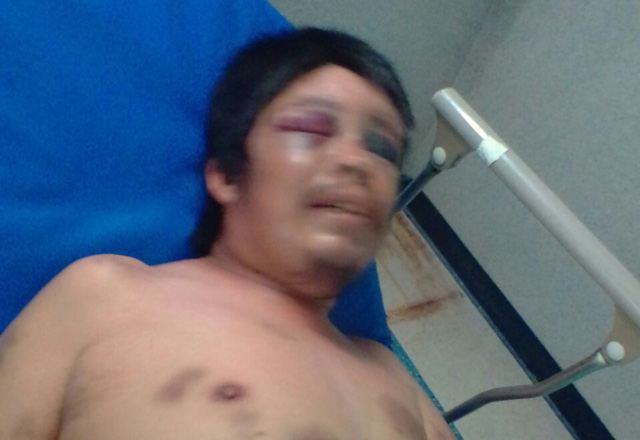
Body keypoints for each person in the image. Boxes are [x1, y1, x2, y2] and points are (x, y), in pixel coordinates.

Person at [0, 28, 454, 439]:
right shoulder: (105, 296)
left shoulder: (397, 382)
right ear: (226, 174)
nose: (356, 162)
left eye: (381, 149)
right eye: (310, 128)